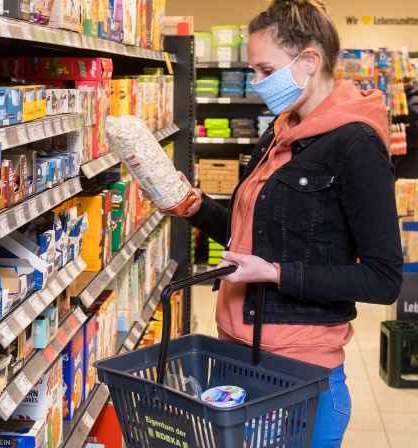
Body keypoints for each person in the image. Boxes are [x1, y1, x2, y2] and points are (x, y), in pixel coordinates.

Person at [148, 0, 404, 446]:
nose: (257, 82)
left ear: (309, 61)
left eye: (266, 70)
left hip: (298, 374)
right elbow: (251, 236)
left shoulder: (355, 144)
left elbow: (383, 279)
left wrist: (274, 274)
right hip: (237, 355)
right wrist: (191, 206)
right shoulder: (280, 131)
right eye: (253, 70)